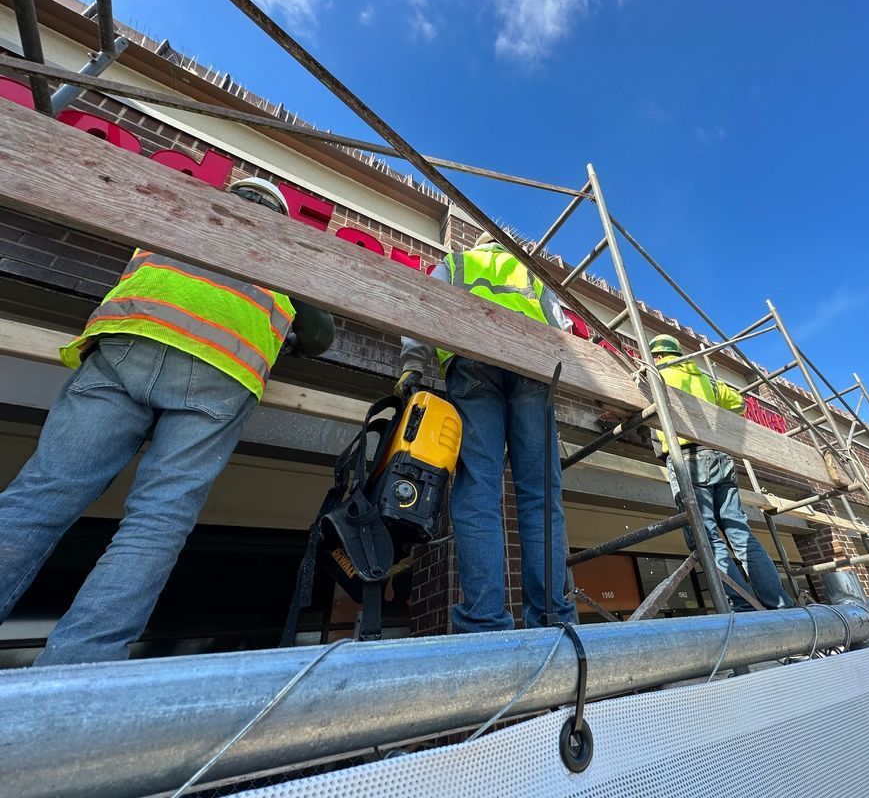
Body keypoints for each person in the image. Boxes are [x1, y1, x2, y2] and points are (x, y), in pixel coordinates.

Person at [0, 177, 335, 665]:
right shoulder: (285, 253)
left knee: (42, 494)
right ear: (279, 216)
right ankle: (77, 671)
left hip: (130, 341)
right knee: (156, 521)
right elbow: (320, 332)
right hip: (222, 368)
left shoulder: (177, 209)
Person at [397, 231, 577, 632]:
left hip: (472, 361)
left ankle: (484, 620)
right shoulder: (530, 273)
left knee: (479, 489)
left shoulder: (458, 263)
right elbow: (562, 328)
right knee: (540, 496)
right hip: (533, 368)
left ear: (478, 244)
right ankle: (552, 619)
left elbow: (421, 305)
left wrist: (412, 364)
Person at [650, 334, 794, 611]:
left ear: (657, 355)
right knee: (740, 532)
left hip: (688, 457)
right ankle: (779, 604)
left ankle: (742, 605)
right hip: (721, 457)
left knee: (705, 534)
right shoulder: (706, 379)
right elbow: (739, 403)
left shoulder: (657, 373)